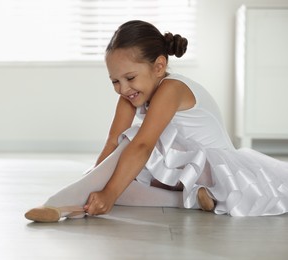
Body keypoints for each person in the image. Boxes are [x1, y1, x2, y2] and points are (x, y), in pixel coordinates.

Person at [25, 20, 288, 222]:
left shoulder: (171, 89)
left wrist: (106, 191)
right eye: (115, 81)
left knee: (131, 146)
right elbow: (111, 144)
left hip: (216, 170)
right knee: (118, 186)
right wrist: (97, 182)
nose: (123, 88)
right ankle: (195, 200)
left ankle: (56, 204)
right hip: (185, 174)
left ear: (159, 67)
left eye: (129, 77)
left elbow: (141, 146)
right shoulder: (130, 96)